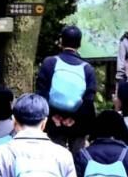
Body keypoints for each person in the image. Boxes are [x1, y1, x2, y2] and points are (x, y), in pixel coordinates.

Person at [36, 25, 97, 154]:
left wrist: (53, 116)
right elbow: (88, 100)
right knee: (78, 157)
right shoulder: (87, 69)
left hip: (53, 121)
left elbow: (41, 93)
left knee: (54, 156)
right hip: (77, 123)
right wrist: (73, 119)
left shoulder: (49, 62)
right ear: (79, 44)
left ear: (61, 41)